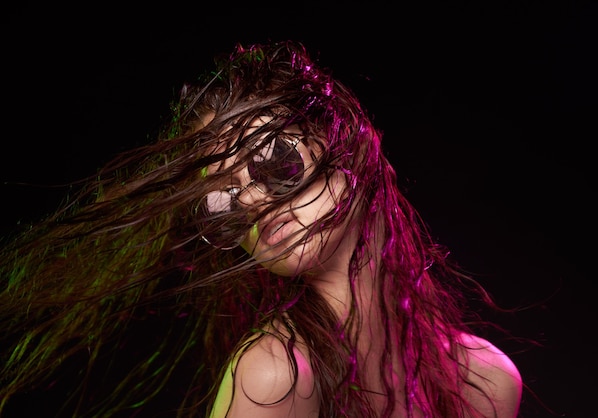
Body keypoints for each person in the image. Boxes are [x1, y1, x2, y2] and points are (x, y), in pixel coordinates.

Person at [0, 40, 522, 417]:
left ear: (351, 147)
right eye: (222, 200)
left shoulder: (486, 382)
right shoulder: (275, 375)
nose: (250, 202)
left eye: (274, 162)